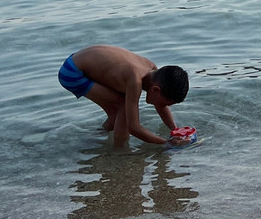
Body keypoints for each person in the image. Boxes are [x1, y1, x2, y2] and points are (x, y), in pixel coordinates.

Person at [58, 45, 190, 148]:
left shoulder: (152, 69)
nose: (163, 107)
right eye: (165, 103)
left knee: (119, 112)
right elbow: (134, 127)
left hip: (79, 60)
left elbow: (160, 106)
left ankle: (96, 136)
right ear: (155, 89)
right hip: (72, 73)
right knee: (122, 105)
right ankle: (119, 150)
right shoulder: (135, 81)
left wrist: (175, 129)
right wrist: (167, 143)